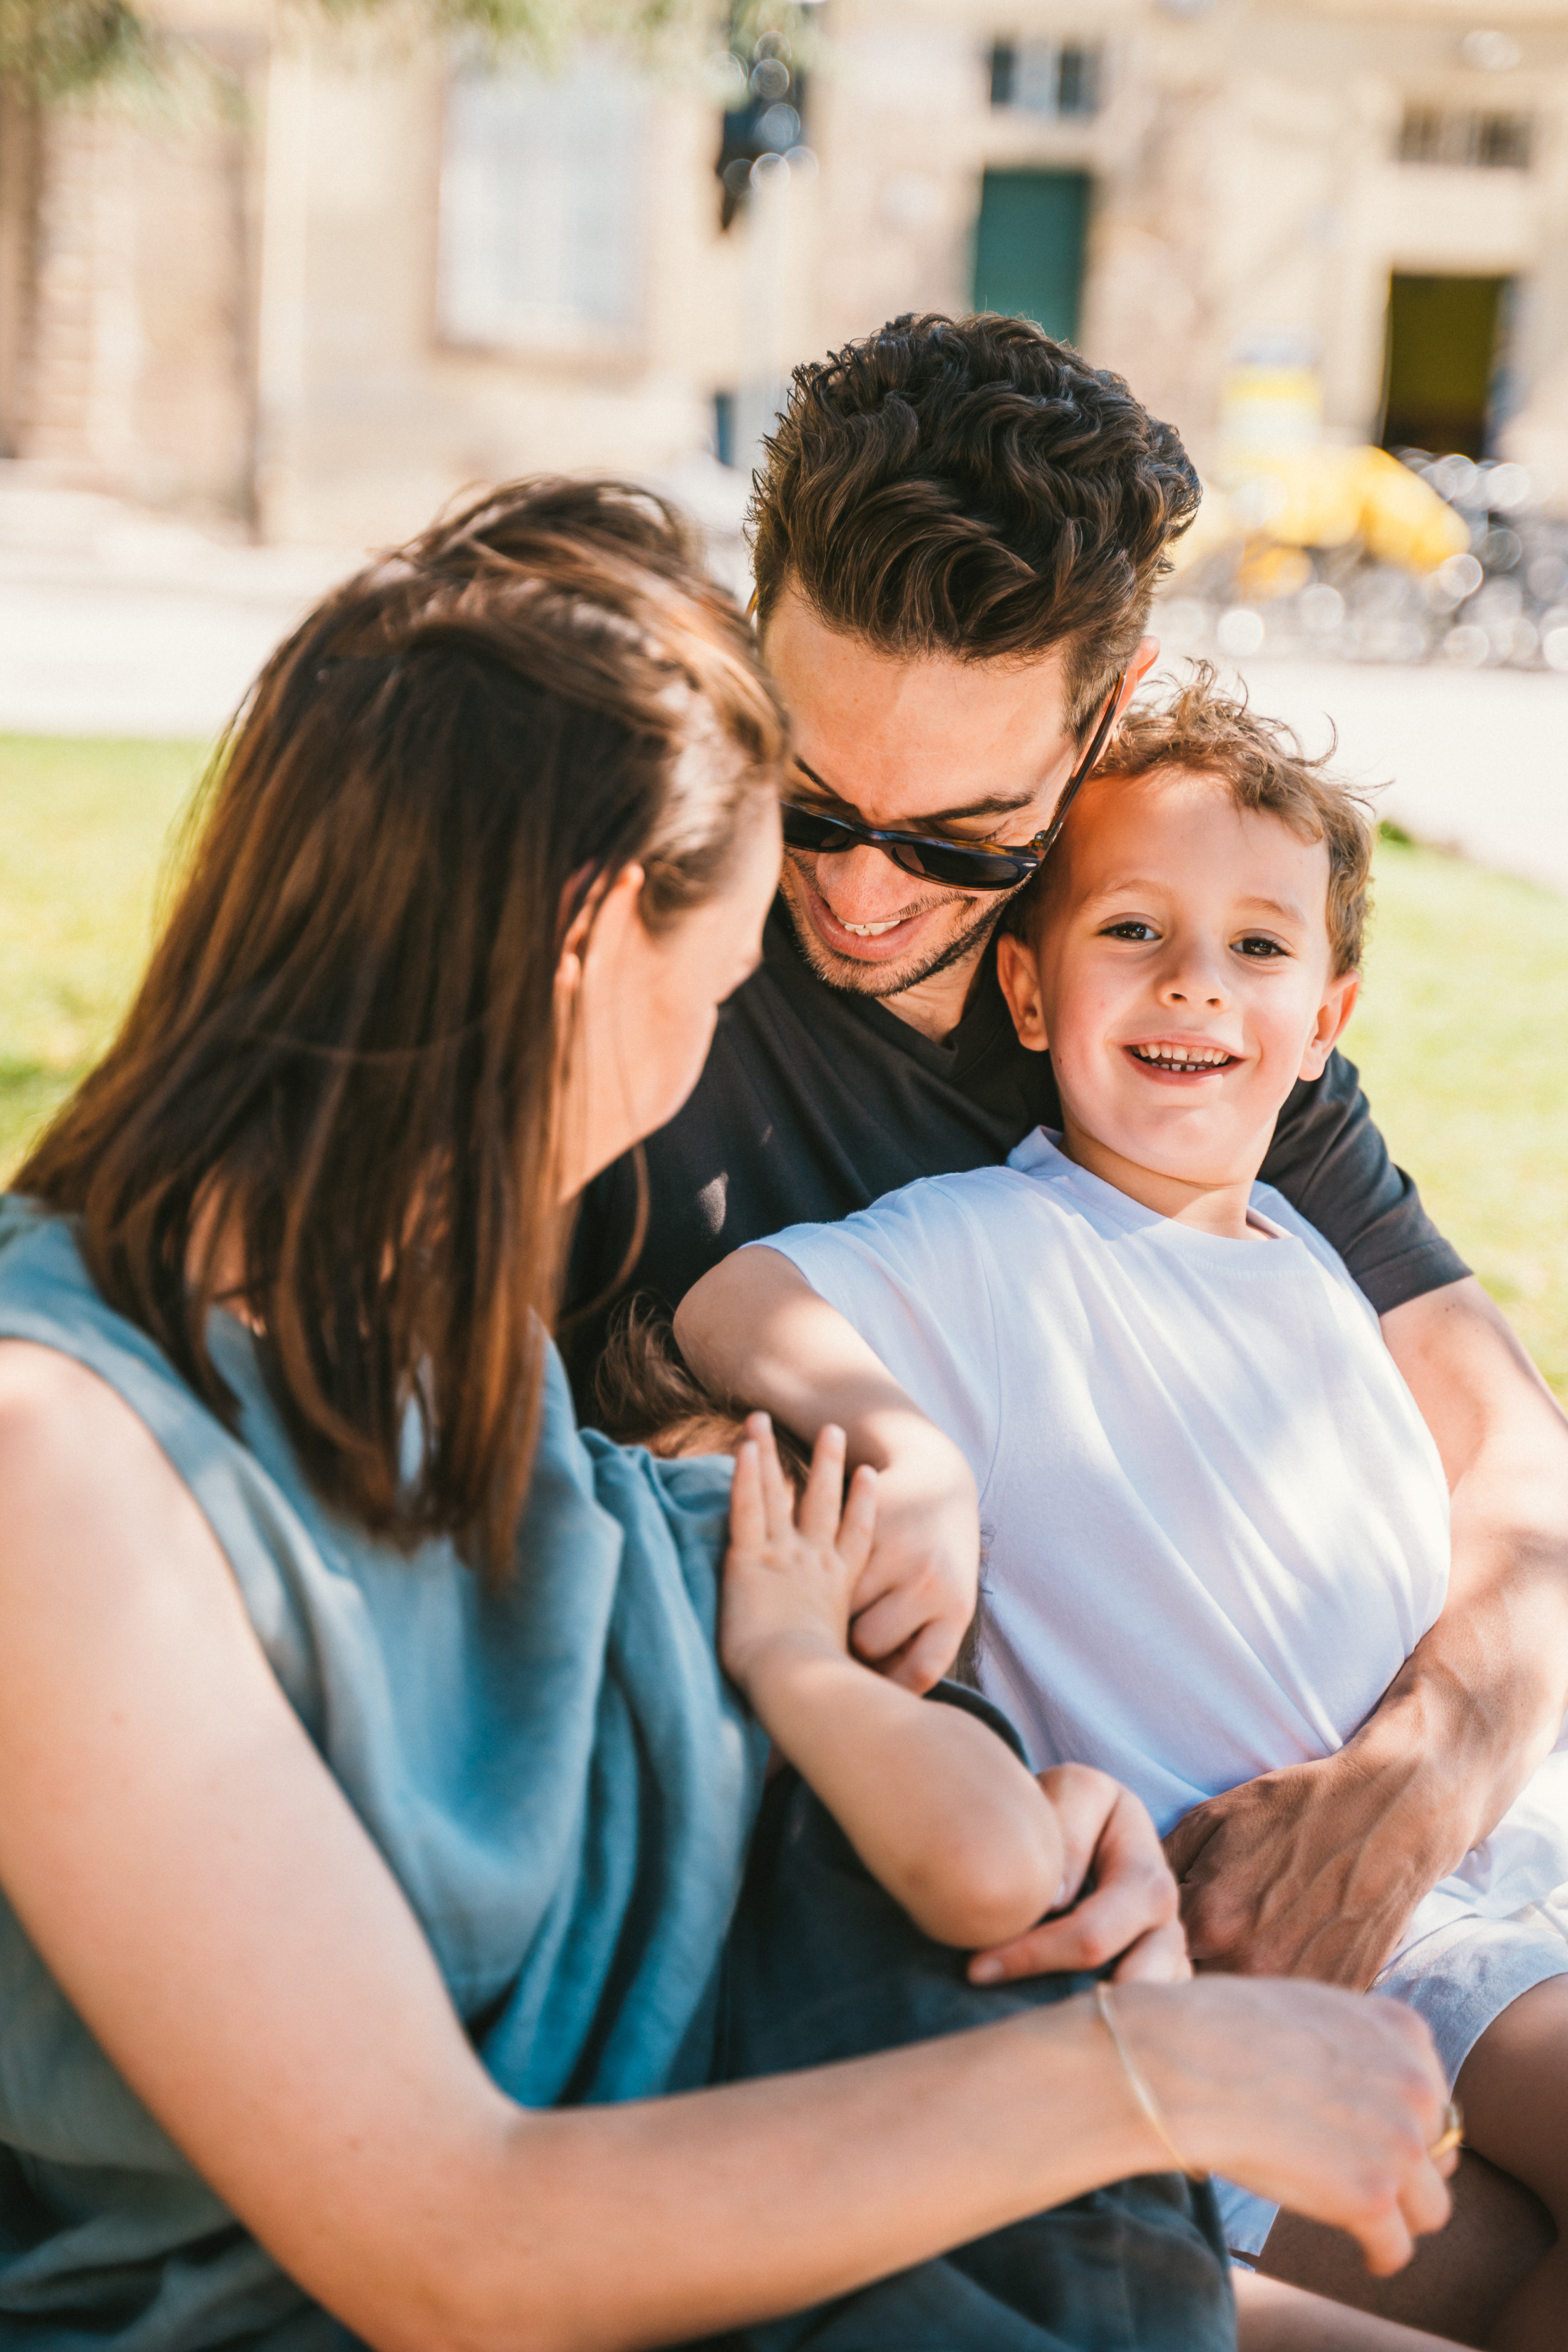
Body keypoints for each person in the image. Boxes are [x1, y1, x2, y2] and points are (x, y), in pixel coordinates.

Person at [0, 478, 1462, 2352]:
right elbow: (445, 2239)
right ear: (589, 948)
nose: (718, 1037)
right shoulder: (67, 1466)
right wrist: (1144, 2068)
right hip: (653, 2228)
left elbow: (662, 1635)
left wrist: (1017, 1790)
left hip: (855, 2131)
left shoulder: (405, 1311)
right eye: (719, 971)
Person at [564, 310, 1568, 2323]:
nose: (854, 901)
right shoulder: (645, 936)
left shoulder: (1162, 987)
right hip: (923, 1930)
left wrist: (1412, 1781)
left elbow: (1512, 1458)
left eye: (961, 843)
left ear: (1104, 713)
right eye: (817, 800)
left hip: (1386, 1874)